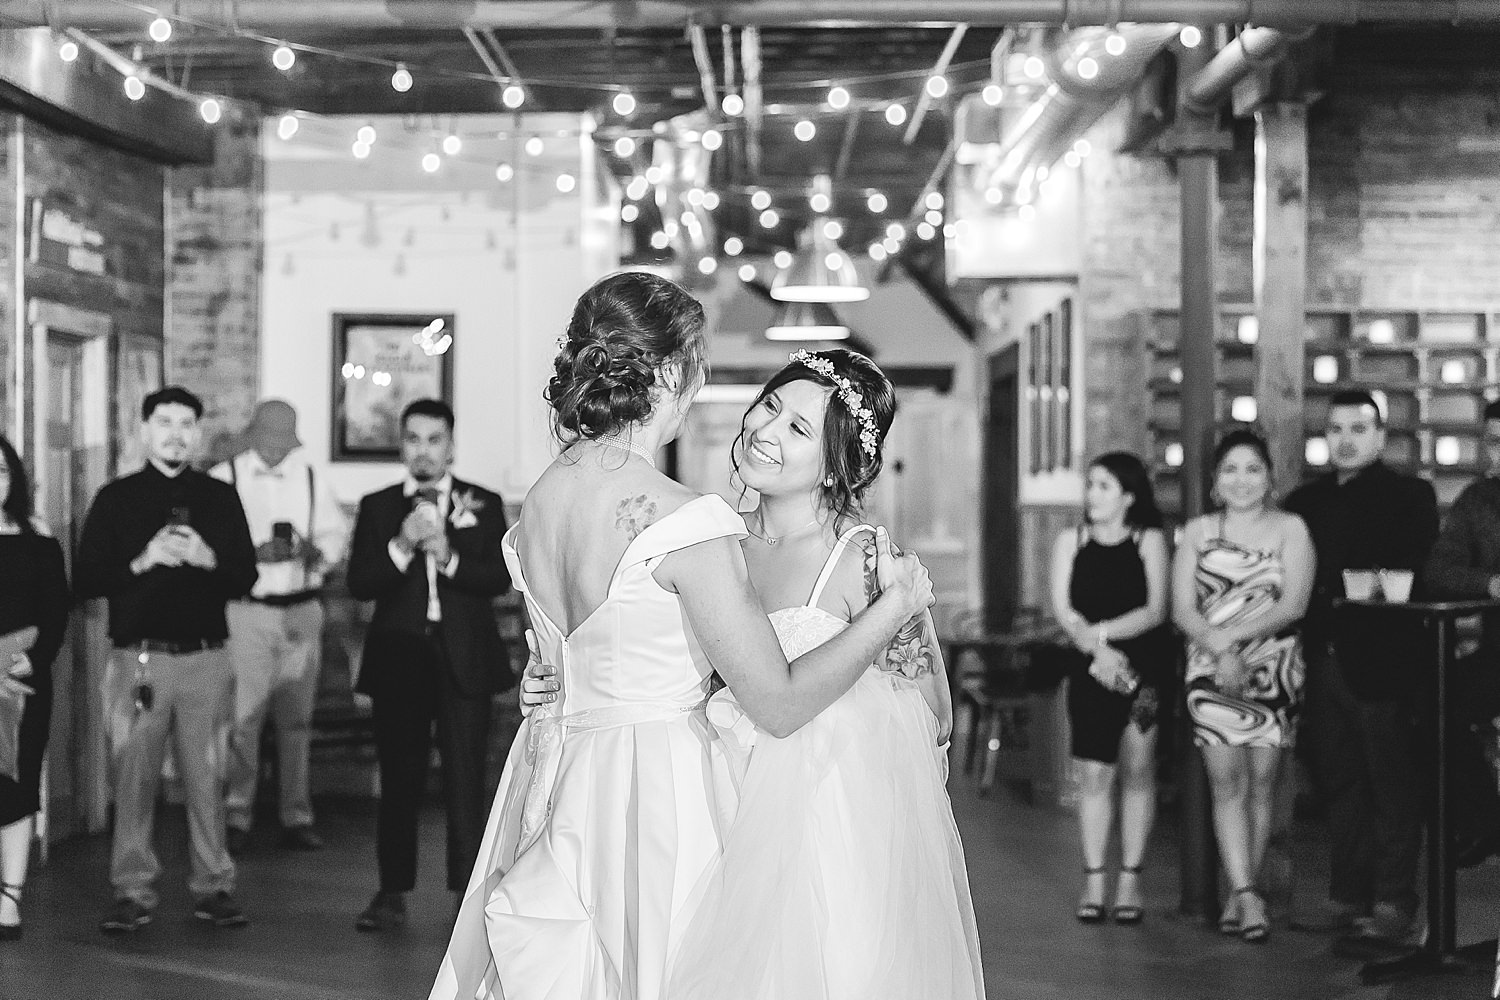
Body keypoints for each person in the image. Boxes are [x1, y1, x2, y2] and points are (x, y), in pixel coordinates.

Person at [428, 272, 932, 1000]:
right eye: (694, 374)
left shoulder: (537, 503)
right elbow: (779, 703)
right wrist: (896, 606)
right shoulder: (685, 519)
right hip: (658, 791)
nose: (696, 392)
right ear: (668, 372)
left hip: (560, 772)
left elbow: (578, 653)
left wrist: (547, 679)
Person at [666, 348, 981, 999]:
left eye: (798, 429)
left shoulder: (865, 560)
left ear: (840, 464)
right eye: (771, 406)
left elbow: (933, 715)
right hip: (707, 804)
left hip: (825, 822)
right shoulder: (710, 540)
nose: (765, 430)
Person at [76, 386, 258, 933]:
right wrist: (142, 559)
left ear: (197, 433)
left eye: (186, 423)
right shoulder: (116, 498)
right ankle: (131, 889)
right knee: (134, 776)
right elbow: (86, 580)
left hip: (207, 658)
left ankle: (214, 886)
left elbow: (245, 576)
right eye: (164, 422)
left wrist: (208, 559)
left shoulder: (220, 497)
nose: (176, 433)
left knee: (208, 776)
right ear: (144, 430)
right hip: (139, 661)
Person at [347, 398, 512, 932]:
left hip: (465, 656)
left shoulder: (482, 503)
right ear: (402, 445)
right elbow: (360, 583)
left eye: (433, 439)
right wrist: (400, 545)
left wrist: (448, 555)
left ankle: (469, 892)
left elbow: (497, 579)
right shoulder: (375, 507)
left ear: (450, 445)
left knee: (467, 778)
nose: (423, 450)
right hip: (400, 658)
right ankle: (391, 891)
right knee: (399, 778)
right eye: (413, 439)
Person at [1284, 389, 1438, 944]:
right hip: (1322, 657)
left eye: (1358, 428)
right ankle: (1347, 895)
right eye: (1336, 429)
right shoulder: (1305, 502)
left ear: (1379, 437)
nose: (1345, 439)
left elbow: (1414, 565)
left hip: (1386, 660)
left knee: (1392, 785)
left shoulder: (1409, 495)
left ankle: (1396, 903)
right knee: (1339, 784)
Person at [1173, 427, 1313, 944]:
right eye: (1230, 469)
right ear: (1215, 481)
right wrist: (1219, 647)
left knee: (1262, 782)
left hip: (1274, 669)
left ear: (1270, 477)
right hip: (1210, 671)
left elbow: (1293, 603)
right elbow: (1181, 607)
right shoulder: (1198, 531)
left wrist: (1234, 640)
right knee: (1226, 782)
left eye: (1253, 468)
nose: (1242, 479)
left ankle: (1241, 889)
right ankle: (1248, 893)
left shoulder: (1291, 528)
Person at [210, 399, 349, 855]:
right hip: (246, 610)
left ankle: (296, 814)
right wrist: (254, 555)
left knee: (296, 720)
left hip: (302, 609)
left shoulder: (310, 479)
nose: (274, 452)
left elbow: (335, 538)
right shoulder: (222, 480)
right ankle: (236, 814)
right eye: (267, 442)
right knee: (244, 719)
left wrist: (316, 554)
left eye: (281, 444)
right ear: (252, 437)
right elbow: (208, 550)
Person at [1050, 452, 1170, 926]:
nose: (1092, 494)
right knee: (1094, 774)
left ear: (1128, 495)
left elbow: (1154, 610)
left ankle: (1131, 878)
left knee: (1139, 767)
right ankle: (1095, 877)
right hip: (1090, 670)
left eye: (1103, 485)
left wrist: (1100, 638)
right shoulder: (1070, 540)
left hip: (1144, 676)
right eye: (1091, 484)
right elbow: (1064, 608)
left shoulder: (1150, 540)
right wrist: (1095, 649)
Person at [1422, 398, 1500, 866]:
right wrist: (1490, 583)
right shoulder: (1479, 499)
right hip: (1498, 653)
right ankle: (1485, 819)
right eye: (1494, 441)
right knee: (1433, 699)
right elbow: (1438, 569)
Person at [0, 435, 70, 941]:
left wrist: (30, 658)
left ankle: (9, 897)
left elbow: (55, 615)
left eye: (1, 472)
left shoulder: (39, 539)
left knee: (18, 784)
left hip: (23, 682)